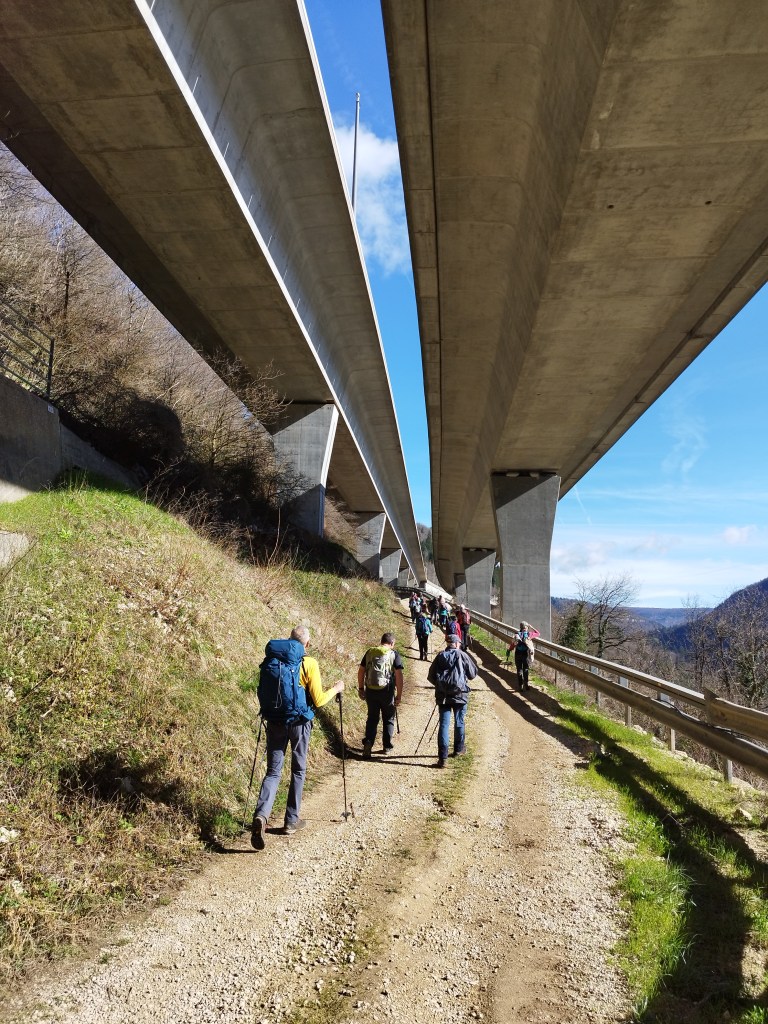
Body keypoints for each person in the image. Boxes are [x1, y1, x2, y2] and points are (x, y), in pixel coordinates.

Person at [251, 625, 344, 850]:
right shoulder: (308, 663)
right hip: (299, 723)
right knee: (298, 770)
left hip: (275, 721)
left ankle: (261, 815)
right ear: (307, 644)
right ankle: (291, 820)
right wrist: (336, 688)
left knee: (273, 772)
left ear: (289, 639)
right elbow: (319, 700)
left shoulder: (273, 660)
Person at [428, 633, 477, 767]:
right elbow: (473, 674)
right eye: (459, 643)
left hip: (443, 696)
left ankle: (443, 758)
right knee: (459, 722)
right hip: (460, 695)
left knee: (444, 724)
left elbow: (431, 676)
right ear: (456, 644)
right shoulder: (462, 655)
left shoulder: (440, 656)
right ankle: (458, 749)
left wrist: (441, 687)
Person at [358, 632, 404, 757]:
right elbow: (399, 676)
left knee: (372, 718)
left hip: (371, 690)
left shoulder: (370, 652)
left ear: (381, 641)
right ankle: (387, 746)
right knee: (388, 718)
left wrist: (361, 688)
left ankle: (368, 742)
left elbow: (361, 671)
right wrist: (399, 695)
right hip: (386, 691)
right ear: (392, 643)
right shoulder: (394, 654)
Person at [507, 620, 541, 691]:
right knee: (525, 669)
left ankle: (520, 686)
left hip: (518, 653)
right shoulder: (529, 634)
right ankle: (526, 683)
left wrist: (509, 650)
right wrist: (531, 627)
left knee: (519, 669)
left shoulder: (517, 635)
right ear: (527, 627)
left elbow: (513, 644)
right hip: (525, 654)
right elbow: (538, 633)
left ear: (520, 627)